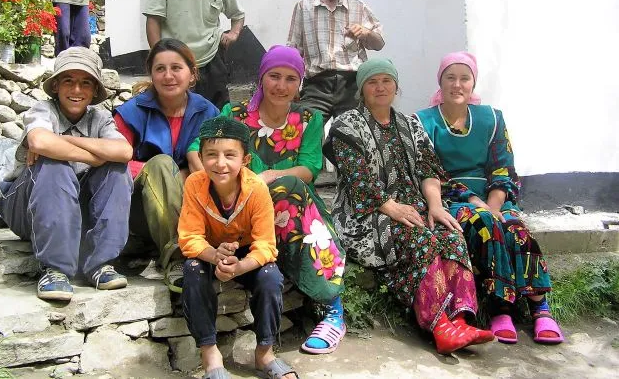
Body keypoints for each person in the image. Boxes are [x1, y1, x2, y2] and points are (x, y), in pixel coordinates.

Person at [323, 58, 494, 354]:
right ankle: (439, 325)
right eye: (372, 82)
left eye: (386, 81)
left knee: (451, 235)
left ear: (396, 87)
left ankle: (461, 320)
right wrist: (392, 208)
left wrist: (435, 206)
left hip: (413, 207)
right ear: (361, 89)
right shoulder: (346, 125)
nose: (380, 87)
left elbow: (428, 168)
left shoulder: (410, 124)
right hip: (366, 214)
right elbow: (357, 178)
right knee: (418, 238)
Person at [190, 45, 346, 355]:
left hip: (292, 203)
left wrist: (269, 176)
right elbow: (197, 148)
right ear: (261, 77)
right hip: (238, 206)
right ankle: (330, 303)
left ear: (300, 83)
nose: (281, 86)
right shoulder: (235, 114)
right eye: (274, 76)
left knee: (288, 187)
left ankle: (333, 309)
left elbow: (309, 168)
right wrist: (217, 182)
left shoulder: (308, 118)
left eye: (291, 78)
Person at [414, 51, 564, 344]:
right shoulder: (423, 121)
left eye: (464, 78)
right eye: (450, 78)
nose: (457, 85)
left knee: (515, 228)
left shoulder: (491, 118)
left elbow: (502, 168)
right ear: (440, 82)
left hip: (493, 196)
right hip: (452, 199)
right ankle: (501, 308)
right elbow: (429, 172)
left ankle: (540, 306)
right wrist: (478, 204)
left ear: (473, 82)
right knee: (485, 224)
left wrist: (495, 205)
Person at [0, 47, 133, 302]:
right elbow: (41, 143)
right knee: (52, 164)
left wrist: (64, 140)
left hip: (76, 211)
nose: (76, 90)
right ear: (56, 86)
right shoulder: (43, 110)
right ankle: (55, 269)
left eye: (85, 83)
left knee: (116, 170)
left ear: (94, 90)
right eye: (68, 81)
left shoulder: (100, 118)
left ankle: (100, 264)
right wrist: (95, 155)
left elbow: (124, 151)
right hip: (27, 210)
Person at [178, 117, 298, 379]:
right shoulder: (194, 184)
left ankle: (264, 352)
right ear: (201, 157)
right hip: (208, 251)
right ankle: (210, 354)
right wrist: (214, 256)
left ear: (245, 159)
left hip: (246, 254)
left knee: (270, 276)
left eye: (230, 155)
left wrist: (240, 267)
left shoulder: (256, 189)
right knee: (193, 270)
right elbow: (190, 237)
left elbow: (265, 245)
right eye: (211, 155)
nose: (220, 163)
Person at [113, 39, 219, 275]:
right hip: (140, 210)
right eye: (160, 69)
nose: (168, 76)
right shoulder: (132, 112)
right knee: (161, 164)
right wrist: (165, 174)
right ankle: (177, 258)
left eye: (176, 68)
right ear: (151, 74)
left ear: (192, 74)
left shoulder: (208, 113)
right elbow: (113, 160)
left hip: (193, 205)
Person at [287, 0, 385, 124]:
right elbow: (294, 50)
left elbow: (379, 44)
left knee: (352, 133)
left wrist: (366, 32)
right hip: (316, 84)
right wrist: (292, 83)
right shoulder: (304, 7)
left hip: (352, 85)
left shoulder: (359, 7)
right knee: (306, 129)